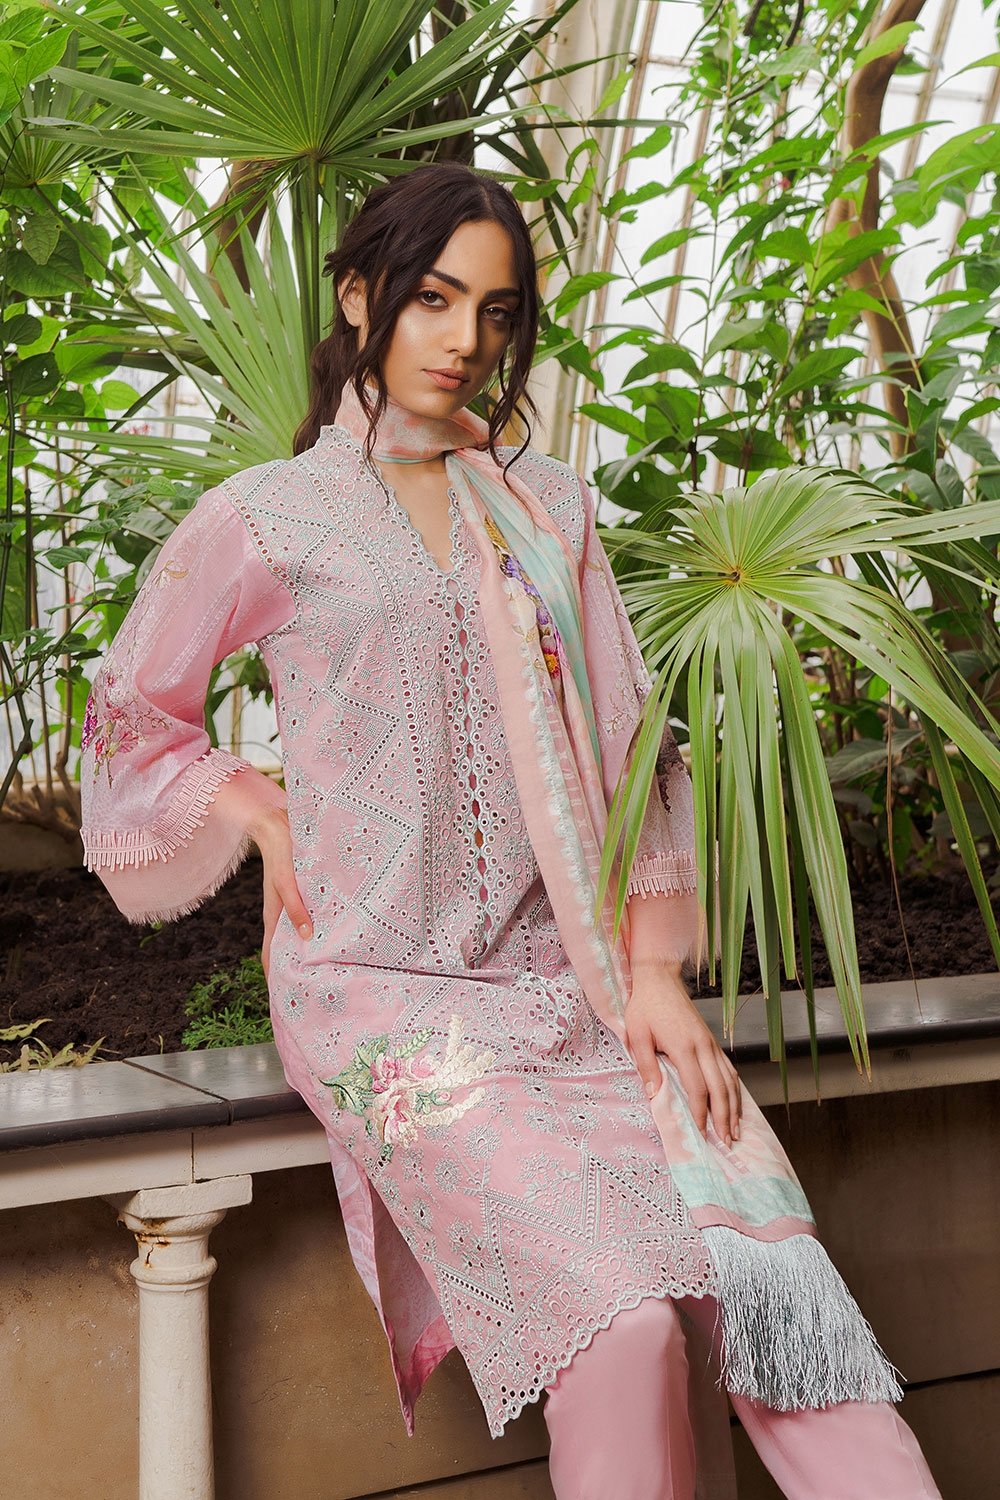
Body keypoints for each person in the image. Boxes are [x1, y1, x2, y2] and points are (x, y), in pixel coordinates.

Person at [80, 161, 941, 1499]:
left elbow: (634, 751)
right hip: (381, 992)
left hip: (572, 982)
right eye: (432, 299)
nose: (465, 340)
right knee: (625, 1327)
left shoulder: (552, 509)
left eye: (495, 311)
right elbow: (131, 712)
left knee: (778, 1290)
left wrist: (654, 976)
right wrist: (254, 807)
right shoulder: (266, 518)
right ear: (360, 298)